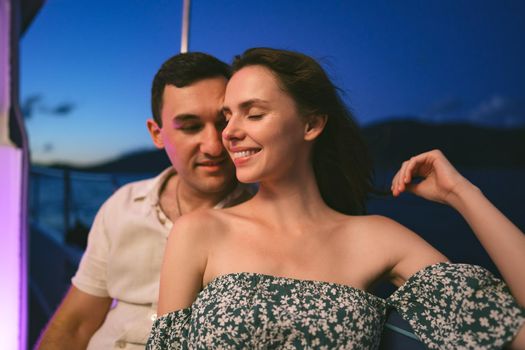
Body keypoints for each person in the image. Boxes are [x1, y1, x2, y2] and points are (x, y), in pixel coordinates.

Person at [147, 48, 525, 349]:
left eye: (254, 114)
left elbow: (515, 334)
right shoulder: (199, 231)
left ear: (311, 124)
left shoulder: (378, 238)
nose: (229, 133)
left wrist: (464, 194)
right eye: (229, 116)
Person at [37, 52, 253, 349]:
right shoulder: (123, 205)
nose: (214, 146)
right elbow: (75, 324)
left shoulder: (266, 220)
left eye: (223, 122)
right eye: (190, 127)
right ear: (157, 134)